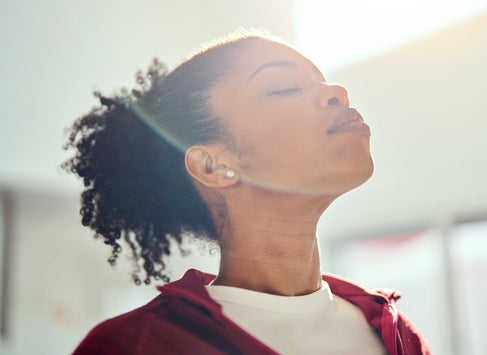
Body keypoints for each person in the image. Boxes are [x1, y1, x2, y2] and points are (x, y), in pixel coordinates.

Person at [63, 30, 431, 354]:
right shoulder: (134, 346)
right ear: (213, 166)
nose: (337, 92)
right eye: (285, 87)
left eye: (323, 80)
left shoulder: (396, 334)